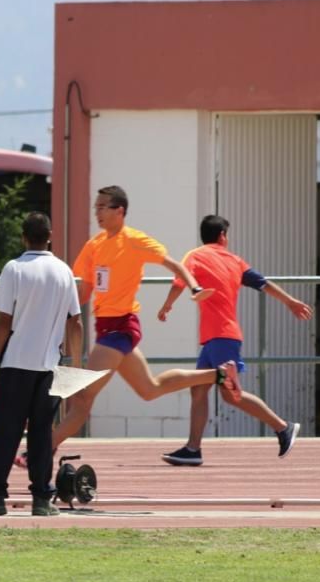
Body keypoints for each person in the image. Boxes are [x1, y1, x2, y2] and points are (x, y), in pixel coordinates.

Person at [18, 186, 242, 467]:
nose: (97, 212)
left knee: (83, 397)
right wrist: (53, 313)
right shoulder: (94, 245)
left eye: (103, 207)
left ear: (119, 211)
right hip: (106, 328)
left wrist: (194, 287)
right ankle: (219, 375)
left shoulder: (134, 241)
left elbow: (175, 265)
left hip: (121, 327)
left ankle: (41, 450)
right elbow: (85, 293)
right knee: (150, 389)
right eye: (95, 207)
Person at [157, 214, 313, 465]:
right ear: (222, 236)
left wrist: (166, 306)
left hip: (221, 337)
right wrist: (290, 302)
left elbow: (179, 282)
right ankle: (193, 449)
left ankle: (282, 427)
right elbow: (264, 284)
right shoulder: (235, 261)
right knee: (198, 390)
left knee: (230, 394)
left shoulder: (194, 256)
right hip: (217, 338)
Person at [0, 213, 82, 517]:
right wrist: (72, 363)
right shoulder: (64, 271)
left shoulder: (14, 269)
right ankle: (42, 499)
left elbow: (4, 319)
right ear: (50, 235)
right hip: (48, 365)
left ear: (23, 237)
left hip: (16, 362)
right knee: (42, 433)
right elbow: (76, 323)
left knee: (6, 432)